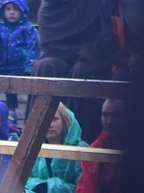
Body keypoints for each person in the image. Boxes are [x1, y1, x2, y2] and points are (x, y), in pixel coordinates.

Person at [30, 0, 111, 143]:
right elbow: (48, 43)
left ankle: (83, 143)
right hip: (58, 53)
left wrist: (84, 54)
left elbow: (103, 37)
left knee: (82, 72)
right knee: (45, 67)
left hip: (91, 53)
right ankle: (34, 143)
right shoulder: (51, 7)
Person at [25, 102, 87, 193]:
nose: (50, 125)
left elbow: (84, 192)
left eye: (54, 119)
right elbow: (22, 180)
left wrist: (51, 187)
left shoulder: (81, 149)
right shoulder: (33, 149)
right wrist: (42, 186)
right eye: (46, 120)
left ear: (64, 120)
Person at [0, 0, 39, 122]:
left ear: (22, 10)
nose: (11, 13)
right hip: (0, 65)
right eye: (8, 9)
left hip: (18, 66)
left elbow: (33, 47)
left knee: (12, 84)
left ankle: (11, 110)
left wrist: (29, 66)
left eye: (16, 9)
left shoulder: (28, 29)